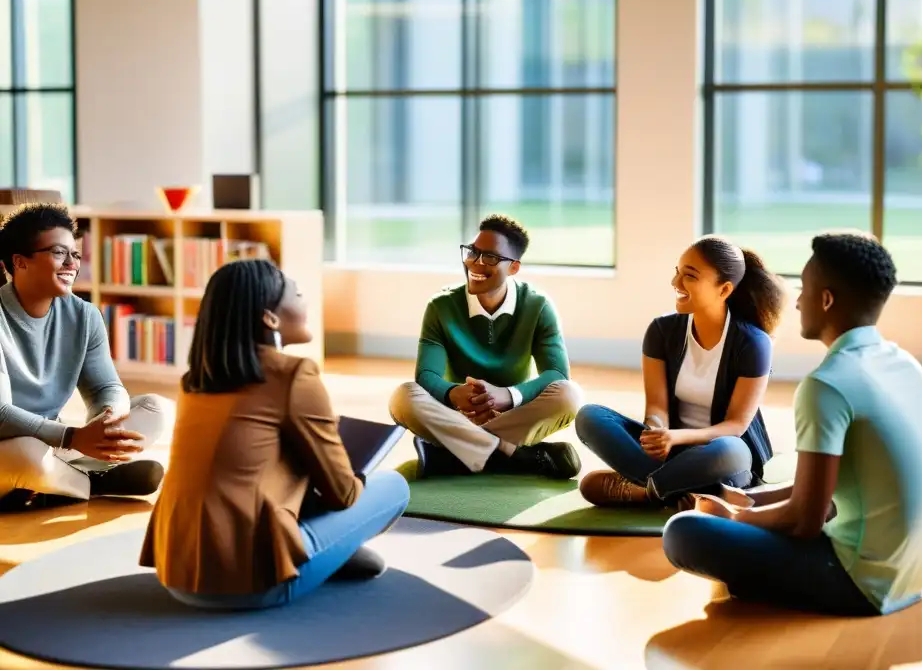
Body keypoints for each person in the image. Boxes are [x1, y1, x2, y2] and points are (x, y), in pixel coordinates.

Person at [663, 232, 922, 617]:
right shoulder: (904, 365)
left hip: (860, 584)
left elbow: (805, 519)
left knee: (683, 533)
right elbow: (833, 485)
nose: (796, 301)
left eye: (805, 289)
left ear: (826, 300)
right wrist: (751, 499)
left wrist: (737, 518)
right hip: (915, 576)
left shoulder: (826, 385)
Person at [139, 259, 410, 609]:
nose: (306, 302)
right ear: (270, 318)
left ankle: (333, 550)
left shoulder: (196, 380)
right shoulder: (293, 374)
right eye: (297, 294)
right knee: (393, 486)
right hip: (254, 585)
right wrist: (353, 470)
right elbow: (342, 495)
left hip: (177, 575)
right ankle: (331, 551)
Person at [574, 236, 785, 509]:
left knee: (728, 451)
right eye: (677, 272)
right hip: (671, 453)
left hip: (721, 453)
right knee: (590, 416)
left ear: (724, 290)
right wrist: (657, 433)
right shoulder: (661, 331)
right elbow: (657, 407)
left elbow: (735, 426)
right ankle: (685, 491)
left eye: (690, 276)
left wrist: (677, 436)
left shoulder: (753, 343)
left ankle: (646, 492)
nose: (676, 283)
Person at [0, 202, 169, 510]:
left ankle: (57, 484)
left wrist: (108, 419)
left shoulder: (85, 316)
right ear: (20, 262)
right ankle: (93, 482)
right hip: (13, 450)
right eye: (58, 253)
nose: (71, 264)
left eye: (75, 254)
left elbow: (107, 387)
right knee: (26, 455)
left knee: (157, 409)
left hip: (56, 446)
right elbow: (0, 414)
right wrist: (73, 437)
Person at [389, 213, 584, 480]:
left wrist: (508, 395)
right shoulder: (441, 306)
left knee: (569, 395)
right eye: (472, 252)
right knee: (402, 398)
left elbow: (557, 375)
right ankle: (512, 454)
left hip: (512, 414)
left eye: (490, 257)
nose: (475, 263)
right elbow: (425, 376)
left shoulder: (538, 306)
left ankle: (452, 453)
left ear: (514, 267)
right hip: (457, 413)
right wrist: (454, 393)